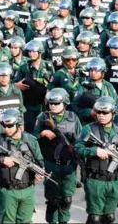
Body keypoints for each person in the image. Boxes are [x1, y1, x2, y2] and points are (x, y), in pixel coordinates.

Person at [0, 109, 44, 223]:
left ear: (18, 124)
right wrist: (2, 159)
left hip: (28, 190)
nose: (6, 129)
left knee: (26, 221)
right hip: (8, 190)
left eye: (10, 126)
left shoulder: (31, 140)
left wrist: (40, 172)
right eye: (4, 126)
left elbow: (39, 160)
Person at [34, 88, 82, 224]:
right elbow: (32, 139)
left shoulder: (73, 118)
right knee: (53, 200)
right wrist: (43, 133)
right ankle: (52, 221)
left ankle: (64, 221)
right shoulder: (43, 118)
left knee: (66, 199)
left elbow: (80, 140)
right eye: (50, 103)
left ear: (65, 103)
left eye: (56, 103)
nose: (53, 106)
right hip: (51, 164)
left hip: (69, 165)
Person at [74, 96, 118, 224]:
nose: (101, 115)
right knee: (95, 218)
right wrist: (95, 151)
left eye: (105, 112)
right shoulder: (89, 129)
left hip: (115, 180)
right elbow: (77, 148)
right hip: (95, 180)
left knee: (109, 217)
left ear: (113, 113)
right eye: (98, 112)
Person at [14, 40, 55, 132]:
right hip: (30, 103)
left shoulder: (48, 66)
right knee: (31, 128)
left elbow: (53, 82)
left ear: (39, 52)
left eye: (33, 51)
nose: (31, 54)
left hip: (44, 102)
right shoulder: (24, 67)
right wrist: (18, 85)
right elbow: (15, 83)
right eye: (29, 51)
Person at [72, 57, 118, 126]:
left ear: (103, 71)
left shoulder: (108, 86)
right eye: (91, 70)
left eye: (96, 70)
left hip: (108, 123)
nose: (93, 72)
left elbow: (116, 103)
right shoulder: (84, 86)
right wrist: (89, 112)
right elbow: (74, 105)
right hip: (90, 124)